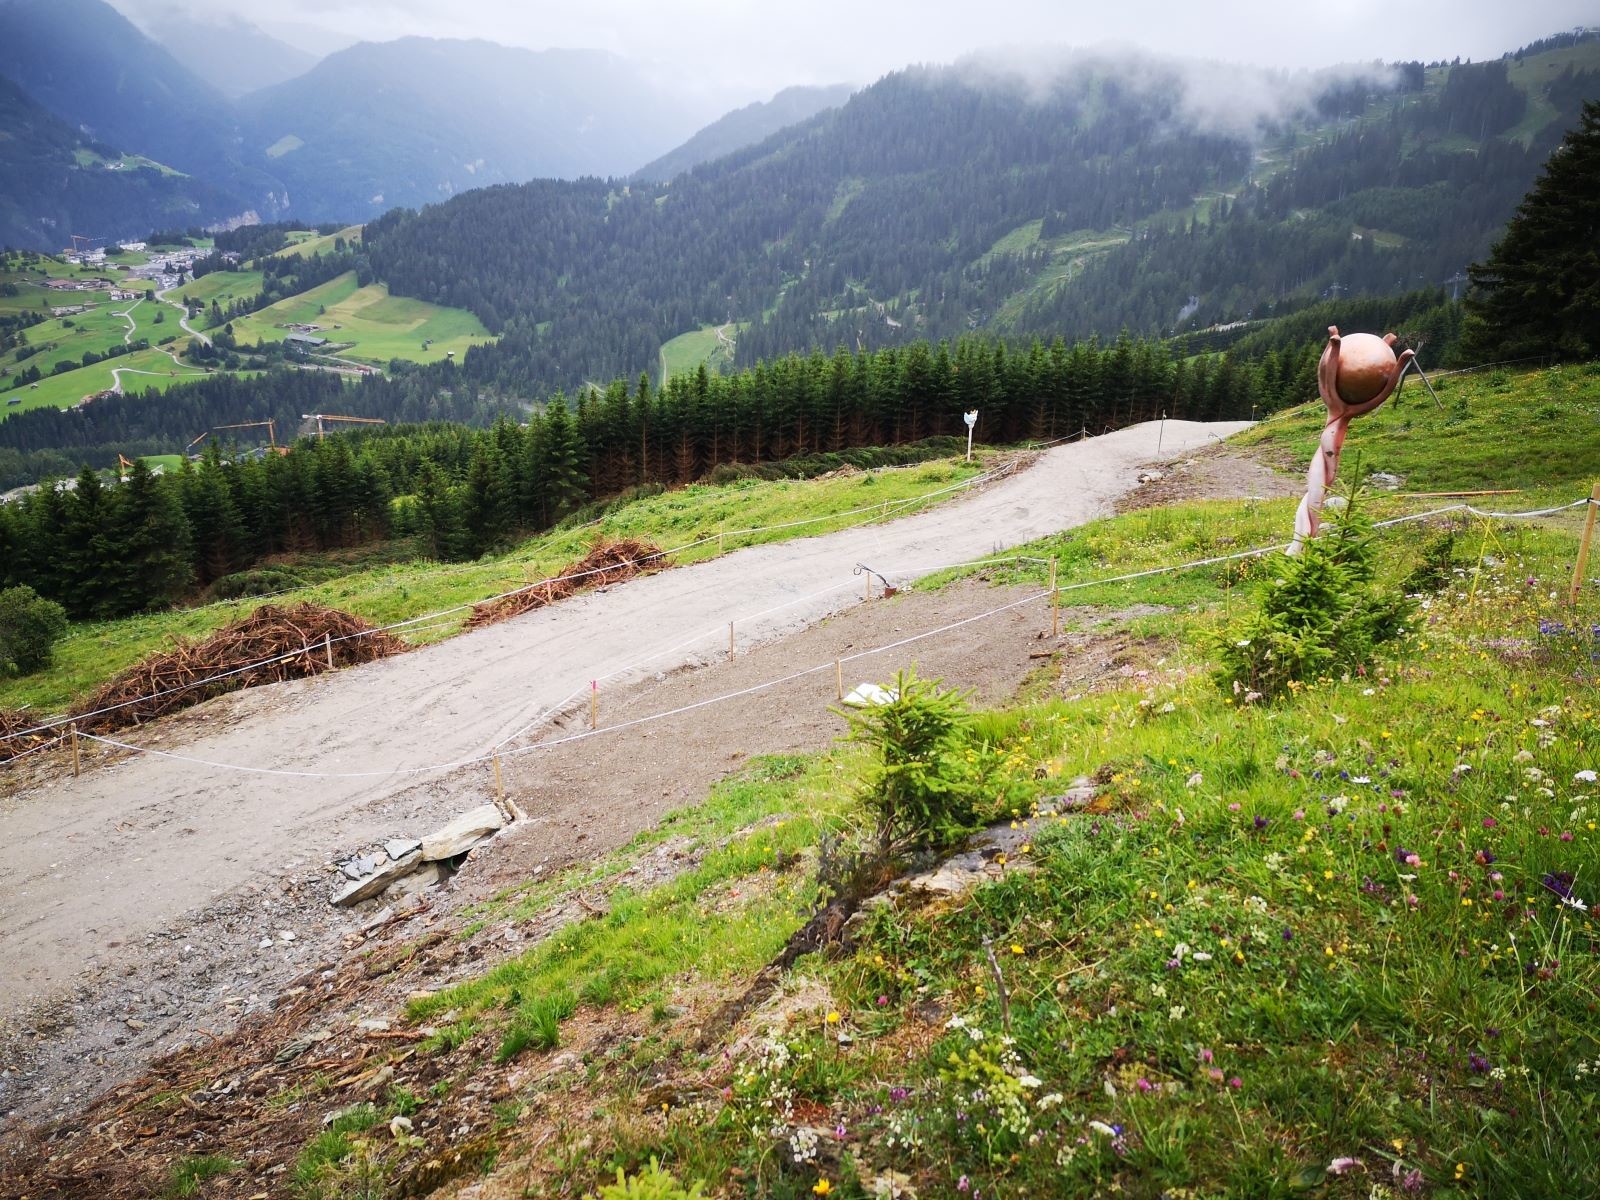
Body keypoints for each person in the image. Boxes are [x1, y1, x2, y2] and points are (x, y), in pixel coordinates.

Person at [1289, 326, 1413, 553]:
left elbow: (1382, 388)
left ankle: (1301, 547)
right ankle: (1300, 546)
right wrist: (1334, 345)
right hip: (1337, 416)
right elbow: (1329, 366)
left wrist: (1334, 345)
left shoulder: (1342, 403)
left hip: (1341, 413)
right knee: (1326, 469)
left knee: (1328, 469)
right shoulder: (1336, 400)